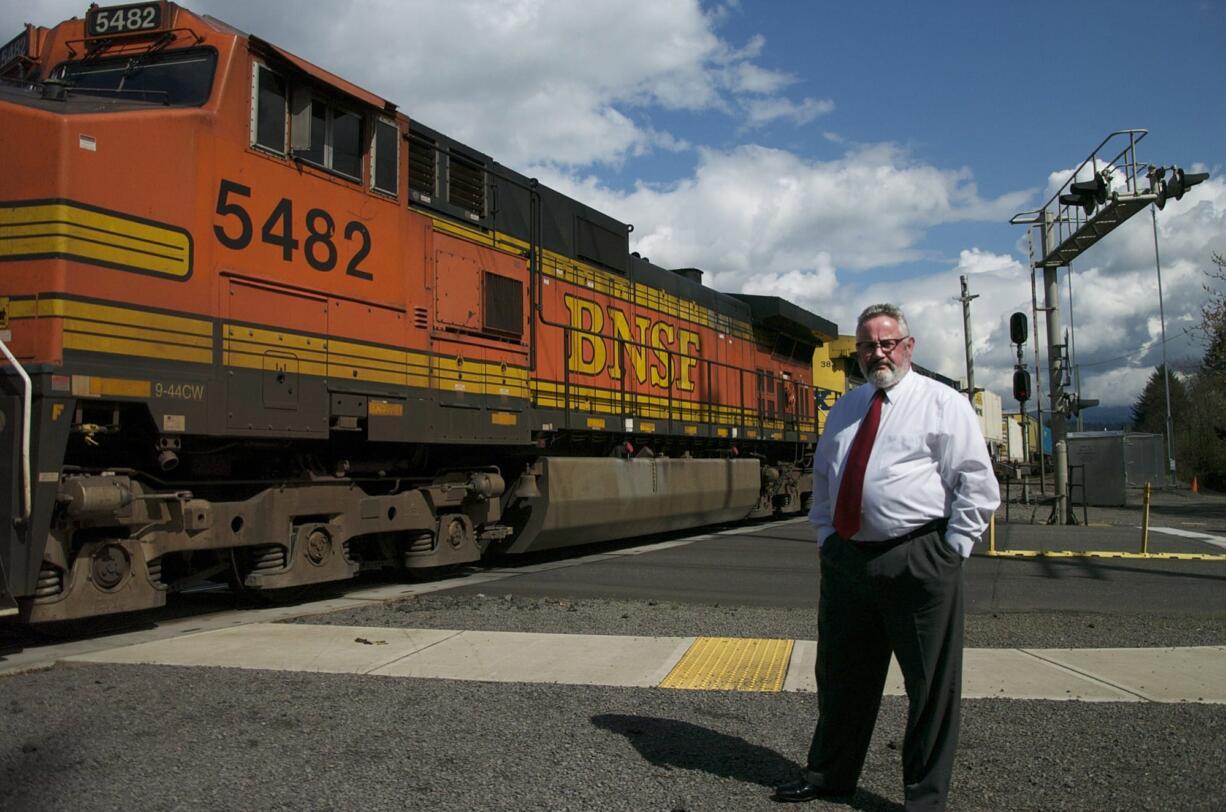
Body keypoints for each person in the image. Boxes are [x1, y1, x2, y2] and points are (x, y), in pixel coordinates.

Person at [773, 303, 999, 811]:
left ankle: (923, 799)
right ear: (858, 352)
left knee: (930, 688)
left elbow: (977, 485)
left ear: (908, 347)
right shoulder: (846, 409)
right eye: (868, 345)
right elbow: (828, 482)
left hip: (919, 558)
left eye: (887, 343)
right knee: (841, 677)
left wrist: (950, 550)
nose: (878, 353)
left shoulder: (943, 404)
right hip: (849, 562)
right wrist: (827, 539)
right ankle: (830, 775)